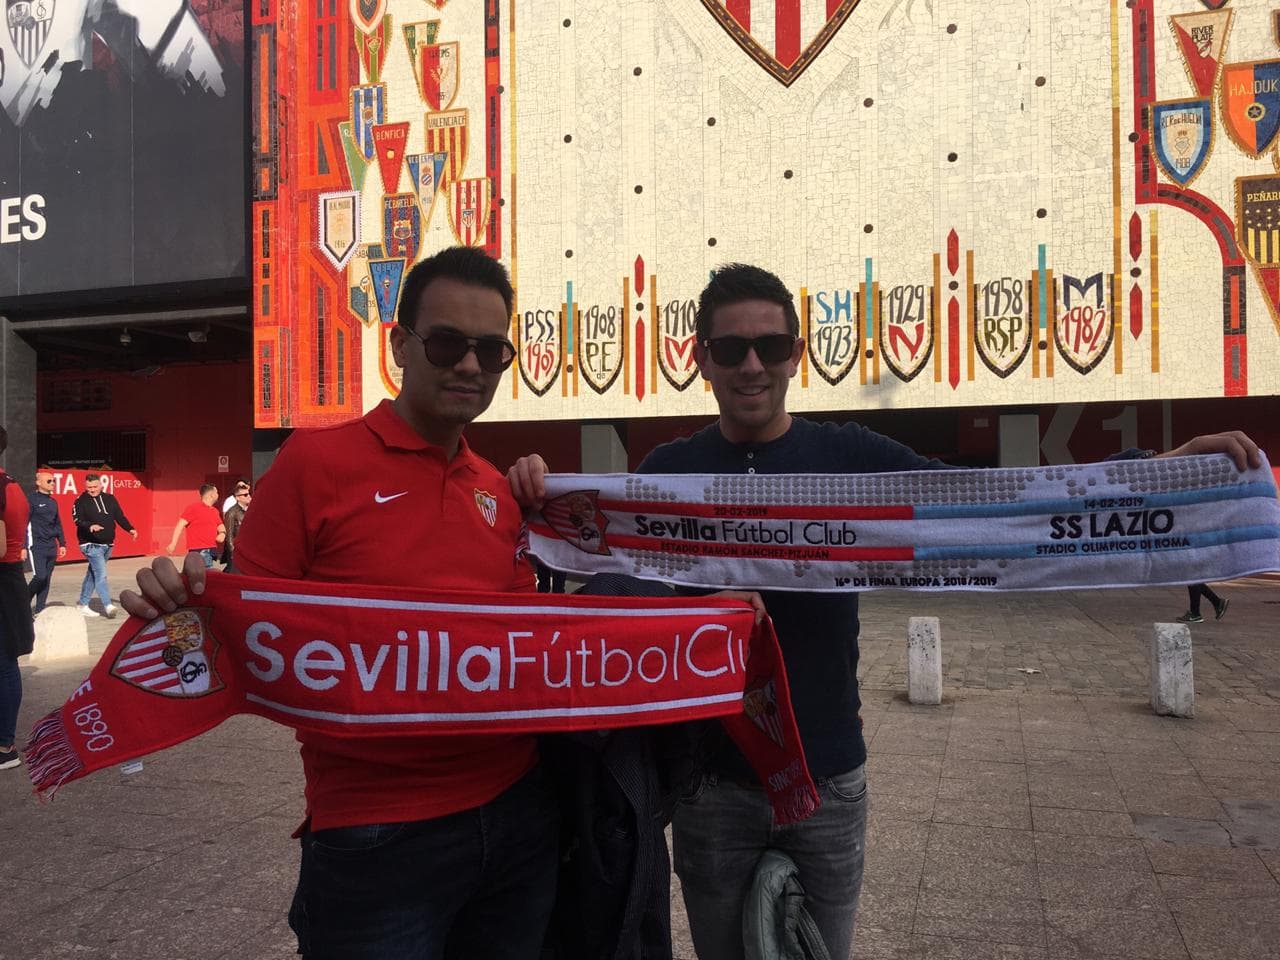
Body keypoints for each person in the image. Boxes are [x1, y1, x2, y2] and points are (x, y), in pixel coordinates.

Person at [508, 262, 1263, 960]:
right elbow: (601, 585)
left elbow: (993, 504)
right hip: (711, 784)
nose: (751, 365)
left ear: (795, 353)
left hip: (830, 775)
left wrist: (1156, 473)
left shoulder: (849, 456)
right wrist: (531, 493)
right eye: (731, 348)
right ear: (701, 357)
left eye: (771, 345)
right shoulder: (665, 475)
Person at [122, 247, 567, 959]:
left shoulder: (498, 489)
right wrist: (173, 612)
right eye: (449, 342)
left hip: (517, 815)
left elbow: (522, 644)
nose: (471, 366)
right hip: (377, 835)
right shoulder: (314, 463)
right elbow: (236, 621)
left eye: (492, 349)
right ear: (400, 345)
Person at [0, 427, 35, 771]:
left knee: (3, 663)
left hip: (3, 579)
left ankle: (5, 745)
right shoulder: (13, 487)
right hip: (10, 581)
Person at [71, 472, 137, 619]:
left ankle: (82, 604)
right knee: (101, 574)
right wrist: (90, 526)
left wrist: (130, 529)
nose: (92, 490)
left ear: (101, 485)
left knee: (93, 574)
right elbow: (77, 519)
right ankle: (107, 605)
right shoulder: (80, 501)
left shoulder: (110, 499)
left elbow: (119, 516)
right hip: (90, 544)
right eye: (89, 487)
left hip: (107, 544)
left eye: (95, 486)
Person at [26, 466, 67, 614]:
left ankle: (40, 610)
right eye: (49, 481)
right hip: (37, 545)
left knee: (46, 580)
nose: (52, 483)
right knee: (40, 576)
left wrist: (62, 543)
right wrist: (23, 546)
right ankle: (23, 602)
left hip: (51, 546)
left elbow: (57, 523)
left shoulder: (53, 502)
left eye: (54, 481)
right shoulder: (31, 500)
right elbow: (24, 523)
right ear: (38, 482)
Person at [166, 484, 226, 569]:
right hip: (199, 550)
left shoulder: (214, 511)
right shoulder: (193, 508)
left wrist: (222, 533)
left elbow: (221, 526)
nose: (218, 494)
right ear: (212, 495)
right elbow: (180, 525)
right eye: (216, 492)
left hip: (211, 549)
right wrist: (173, 543)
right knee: (204, 576)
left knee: (205, 576)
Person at [220, 483, 251, 568]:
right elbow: (229, 535)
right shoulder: (231, 512)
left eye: (249, 493)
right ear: (237, 497)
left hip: (248, 550)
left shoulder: (250, 510)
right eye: (245, 495)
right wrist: (233, 553)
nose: (248, 496)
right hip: (238, 551)